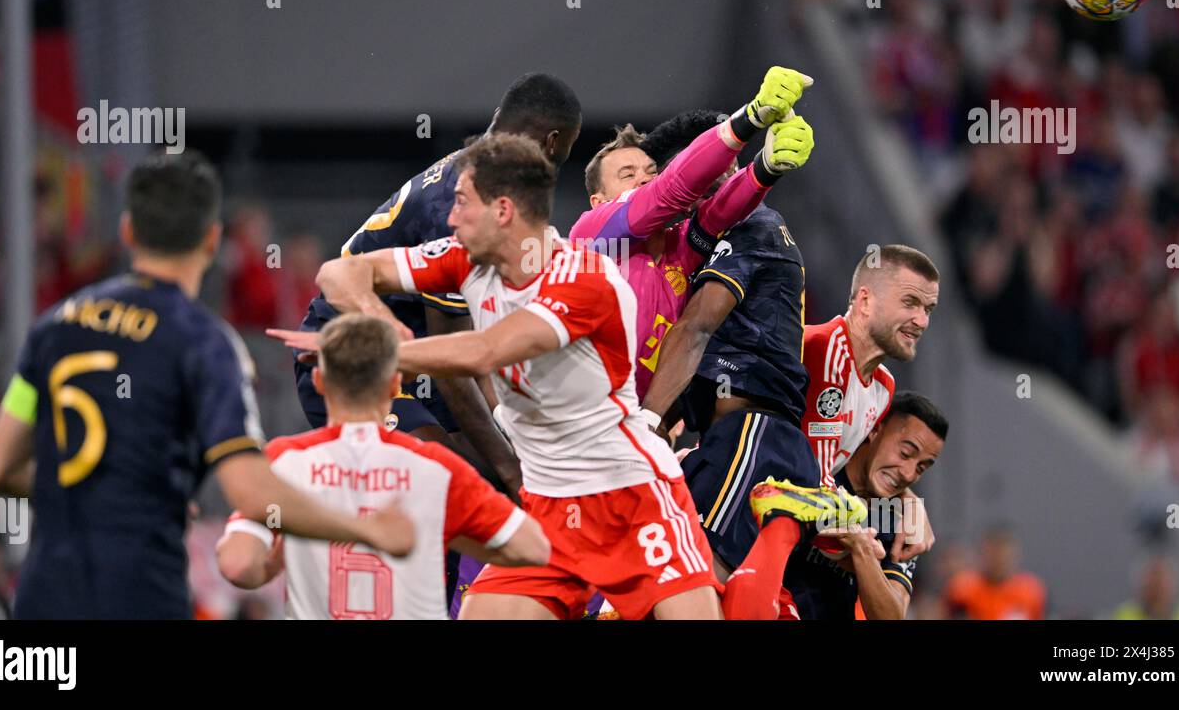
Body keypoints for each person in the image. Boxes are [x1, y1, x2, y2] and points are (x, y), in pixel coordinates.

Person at [271, 134, 856, 620]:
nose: (449, 216)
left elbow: (487, 350)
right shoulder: (462, 257)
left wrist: (376, 352)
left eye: (462, 203)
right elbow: (341, 270)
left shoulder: (583, 278)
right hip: (550, 504)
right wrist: (379, 322)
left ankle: (781, 523)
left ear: (503, 210)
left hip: (632, 499)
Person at [0, 152, 413, 619]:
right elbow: (250, 491)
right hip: (140, 598)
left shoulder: (53, 328)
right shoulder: (206, 345)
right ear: (211, 240)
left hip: (43, 601)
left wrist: (90, 494)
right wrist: (367, 529)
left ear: (128, 231)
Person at [294, 72, 583, 500]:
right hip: (355, 362)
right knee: (446, 485)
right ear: (554, 143)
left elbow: (471, 353)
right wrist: (513, 471)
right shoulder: (463, 209)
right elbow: (456, 367)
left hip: (417, 361)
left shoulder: (472, 177)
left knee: (483, 488)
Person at [645, 243, 940, 618]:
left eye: (928, 309)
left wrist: (907, 502)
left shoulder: (883, 387)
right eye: (910, 303)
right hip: (730, 506)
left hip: (778, 536)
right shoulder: (813, 347)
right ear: (865, 300)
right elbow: (810, 485)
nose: (922, 320)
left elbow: (835, 475)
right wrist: (864, 546)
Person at [217, 314, 548, 619]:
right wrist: (442, 536)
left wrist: (274, 563)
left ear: (318, 382)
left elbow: (238, 565)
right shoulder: (438, 467)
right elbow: (532, 547)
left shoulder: (281, 462)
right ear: (394, 385)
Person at [570, 67, 815, 398]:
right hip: (570, 416)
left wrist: (764, 167)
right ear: (597, 201)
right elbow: (669, 191)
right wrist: (752, 116)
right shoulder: (592, 235)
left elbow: (718, 212)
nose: (644, 179)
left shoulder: (680, 250)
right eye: (627, 174)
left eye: (650, 171)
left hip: (627, 425)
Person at [782, 392, 948, 619]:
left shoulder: (901, 522)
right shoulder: (819, 468)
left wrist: (862, 550)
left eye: (921, 468)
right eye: (905, 453)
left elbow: (892, 616)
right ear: (875, 429)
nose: (908, 474)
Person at [943, 524, 1047, 620]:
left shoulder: (1031, 591)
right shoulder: (963, 589)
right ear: (982, 553)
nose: (1000, 558)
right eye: (994, 552)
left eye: (1005, 552)